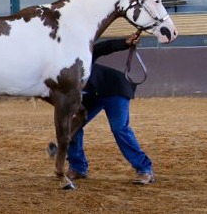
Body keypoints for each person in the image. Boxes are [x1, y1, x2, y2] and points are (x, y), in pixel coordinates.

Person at [47, 33, 155, 185]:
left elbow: (101, 48)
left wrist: (124, 42)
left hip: (114, 89)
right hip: (92, 95)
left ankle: (145, 170)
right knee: (73, 125)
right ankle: (78, 167)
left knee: (119, 129)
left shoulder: (77, 57)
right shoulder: (52, 72)